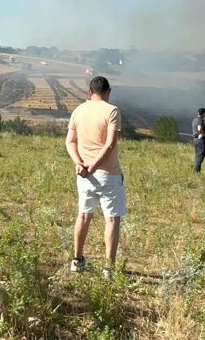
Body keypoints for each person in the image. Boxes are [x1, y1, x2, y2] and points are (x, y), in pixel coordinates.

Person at [65, 76, 125, 279]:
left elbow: (70, 142)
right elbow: (109, 144)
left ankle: (77, 259)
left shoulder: (78, 110)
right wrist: (94, 165)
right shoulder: (112, 110)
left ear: (89, 92)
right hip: (108, 174)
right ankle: (109, 268)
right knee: (111, 220)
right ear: (109, 91)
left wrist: (79, 163)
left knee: (83, 216)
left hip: (84, 175)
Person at [192, 108, 205, 173]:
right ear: (203, 114)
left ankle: (197, 171)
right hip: (201, 141)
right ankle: (196, 172)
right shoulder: (200, 120)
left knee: (197, 156)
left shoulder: (195, 120)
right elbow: (199, 128)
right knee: (200, 157)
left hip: (195, 140)